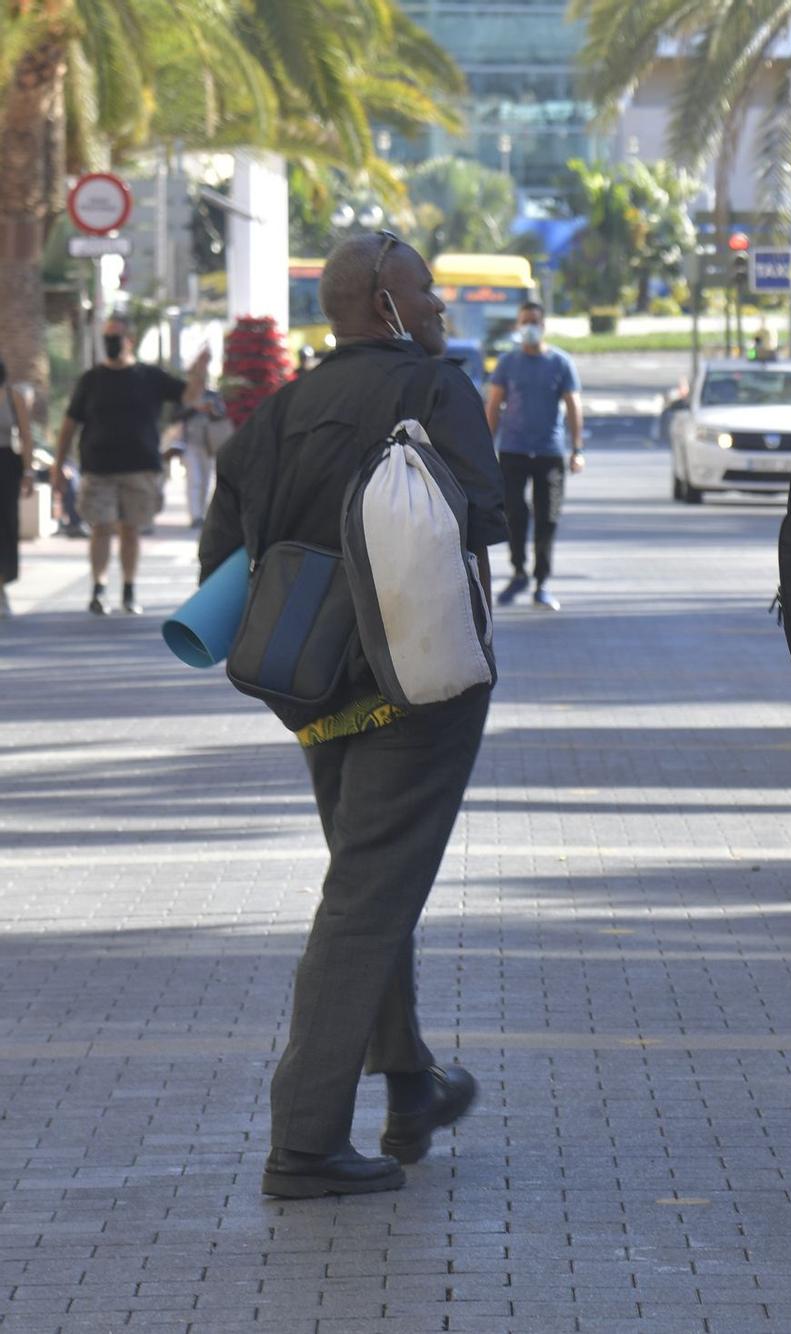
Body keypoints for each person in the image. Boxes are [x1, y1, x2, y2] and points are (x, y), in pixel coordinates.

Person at [201, 230, 508, 1198]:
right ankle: (305, 1140)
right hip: (411, 686)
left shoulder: (283, 407)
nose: (438, 306)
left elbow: (223, 545)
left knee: (371, 881)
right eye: (424, 290)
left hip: (314, 687)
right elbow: (484, 516)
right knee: (366, 899)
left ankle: (411, 1079)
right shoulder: (431, 387)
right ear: (383, 300)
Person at [52, 318, 210, 614]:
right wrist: (58, 465)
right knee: (101, 527)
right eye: (106, 336)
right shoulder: (91, 379)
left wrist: (200, 370)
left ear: (130, 339)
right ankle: (98, 590)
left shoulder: (149, 376)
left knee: (130, 530)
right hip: (98, 467)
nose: (111, 342)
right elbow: (69, 424)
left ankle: (128, 589)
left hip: (140, 467)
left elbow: (190, 397)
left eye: (116, 336)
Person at [484, 300, 582, 611]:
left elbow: (573, 407)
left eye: (535, 322)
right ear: (518, 325)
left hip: (548, 453)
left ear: (543, 326)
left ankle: (541, 581)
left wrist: (577, 449)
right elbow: (494, 406)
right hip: (512, 451)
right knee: (514, 513)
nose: (530, 327)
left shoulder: (560, 363)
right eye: (525, 321)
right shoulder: (507, 363)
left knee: (547, 517)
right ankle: (518, 570)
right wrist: (486, 448)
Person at [166, 387, 230, 528]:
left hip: (209, 444)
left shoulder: (213, 395)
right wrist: (194, 408)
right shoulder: (183, 395)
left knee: (207, 481)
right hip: (188, 444)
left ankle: (204, 513)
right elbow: (174, 417)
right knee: (194, 480)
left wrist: (211, 409)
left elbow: (222, 415)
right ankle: (195, 515)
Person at [0, 358, 33, 618]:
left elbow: (25, 435)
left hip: (6, 464)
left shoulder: (13, 396)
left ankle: (2, 588)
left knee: (7, 525)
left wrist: (29, 471)